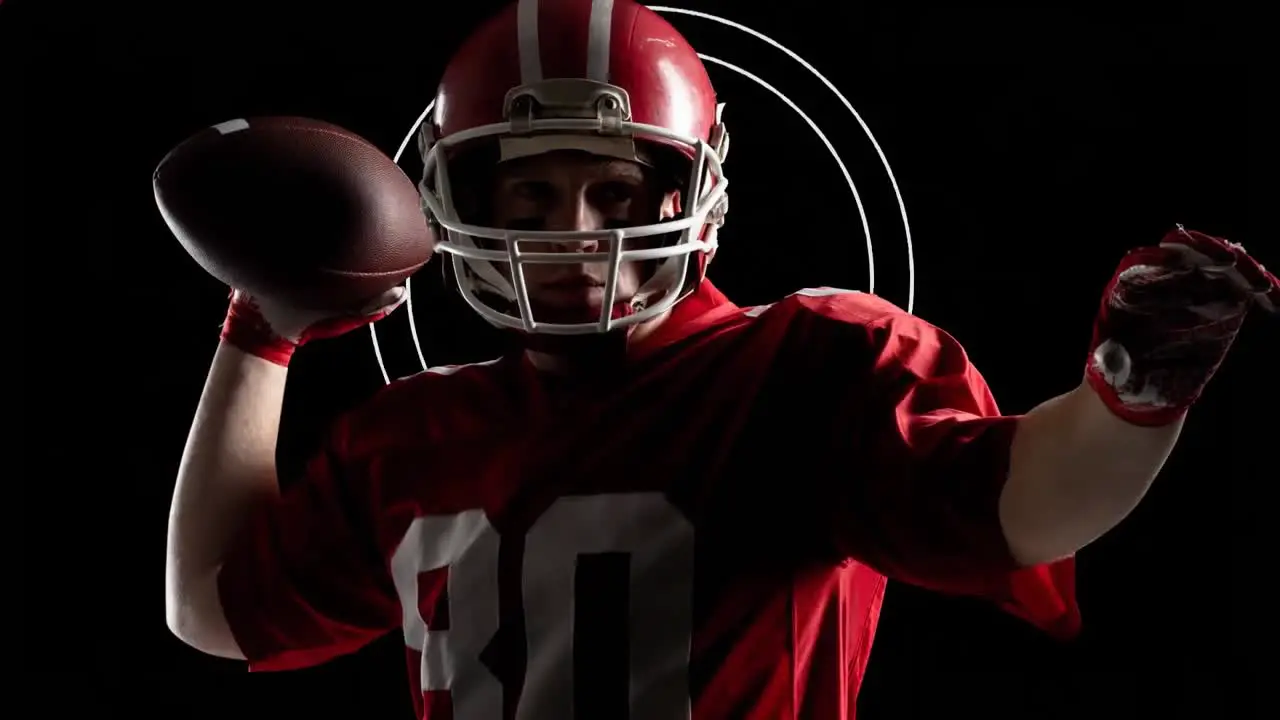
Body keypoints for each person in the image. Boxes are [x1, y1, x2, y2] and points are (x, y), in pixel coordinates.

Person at [164, 0, 1279, 717]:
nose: (581, 229)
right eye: (532, 191)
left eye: (616, 188)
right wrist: (260, 330)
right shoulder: (413, 430)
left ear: (695, 191)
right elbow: (213, 611)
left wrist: (1131, 393)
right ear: (454, 198)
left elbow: (1022, 505)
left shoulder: (810, 364)